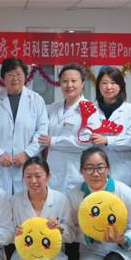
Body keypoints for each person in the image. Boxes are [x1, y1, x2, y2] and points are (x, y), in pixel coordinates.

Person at [68, 147, 131, 260]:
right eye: (89, 168)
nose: (95, 173)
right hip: (92, 250)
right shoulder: (73, 196)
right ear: (81, 171)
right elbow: (72, 229)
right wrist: (89, 235)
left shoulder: (126, 193)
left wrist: (123, 239)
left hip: (124, 251)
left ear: (108, 168)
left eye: (100, 167)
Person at [0, 57, 49, 195]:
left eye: (18, 74)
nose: (14, 78)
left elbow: (42, 133)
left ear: (25, 76)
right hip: (0, 165)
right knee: (0, 202)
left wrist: (27, 154)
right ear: (3, 78)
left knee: (27, 202)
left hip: (28, 164)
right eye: (10, 74)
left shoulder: (36, 100)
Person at [40, 63, 99, 193]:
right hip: (53, 170)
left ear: (82, 83)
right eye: (65, 81)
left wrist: (53, 141)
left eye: (73, 81)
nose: (69, 85)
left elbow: (86, 141)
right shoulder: (53, 107)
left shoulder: (90, 109)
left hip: (75, 172)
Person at [9, 156, 72, 260]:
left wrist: (60, 229)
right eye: (28, 176)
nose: (33, 181)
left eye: (38, 176)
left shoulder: (61, 199)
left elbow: (72, 235)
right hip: (24, 255)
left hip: (52, 256)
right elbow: (7, 234)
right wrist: (15, 233)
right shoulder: (15, 201)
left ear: (48, 177)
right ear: (23, 178)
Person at [93, 66, 131, 204]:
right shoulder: (91, 110)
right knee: (99, 210)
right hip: (98, 171)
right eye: (104, 83)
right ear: (98, 86)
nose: (108, 87)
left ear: (121, 86)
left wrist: (107, 140)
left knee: (128, 210)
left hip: (125, 171)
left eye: (113, 83)